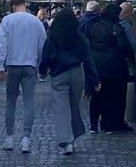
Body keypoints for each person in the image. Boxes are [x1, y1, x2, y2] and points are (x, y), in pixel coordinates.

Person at [40, 8, 100, 156]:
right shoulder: (79, 36)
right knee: (74, 106)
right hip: (77, 72)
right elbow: (88, 57)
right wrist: (95, 78)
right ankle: (73, 137)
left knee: (62, 107)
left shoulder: (53, 36)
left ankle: (67, 141)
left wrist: (43, 70)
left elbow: (45, 55)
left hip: (59, 73)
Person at [0, 0, 47, 152]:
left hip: (13, 65)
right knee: (29, 101)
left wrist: (0, 65)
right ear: (24, 4)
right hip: (30, 65)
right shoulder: (36, 21)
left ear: (13, 6)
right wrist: (40, 64)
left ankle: (9, 138)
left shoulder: (7, 20)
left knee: (10, 102)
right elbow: (43, 44)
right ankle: (26, 138)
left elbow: (2, 43)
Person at [87, 3, 134, 134]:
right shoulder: (116, 28)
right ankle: (110, 124)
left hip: (97, 66)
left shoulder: (95, 26)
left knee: (97, 96)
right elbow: (124, 46)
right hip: (114, 67)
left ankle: (93, 125)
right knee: (113, 97)